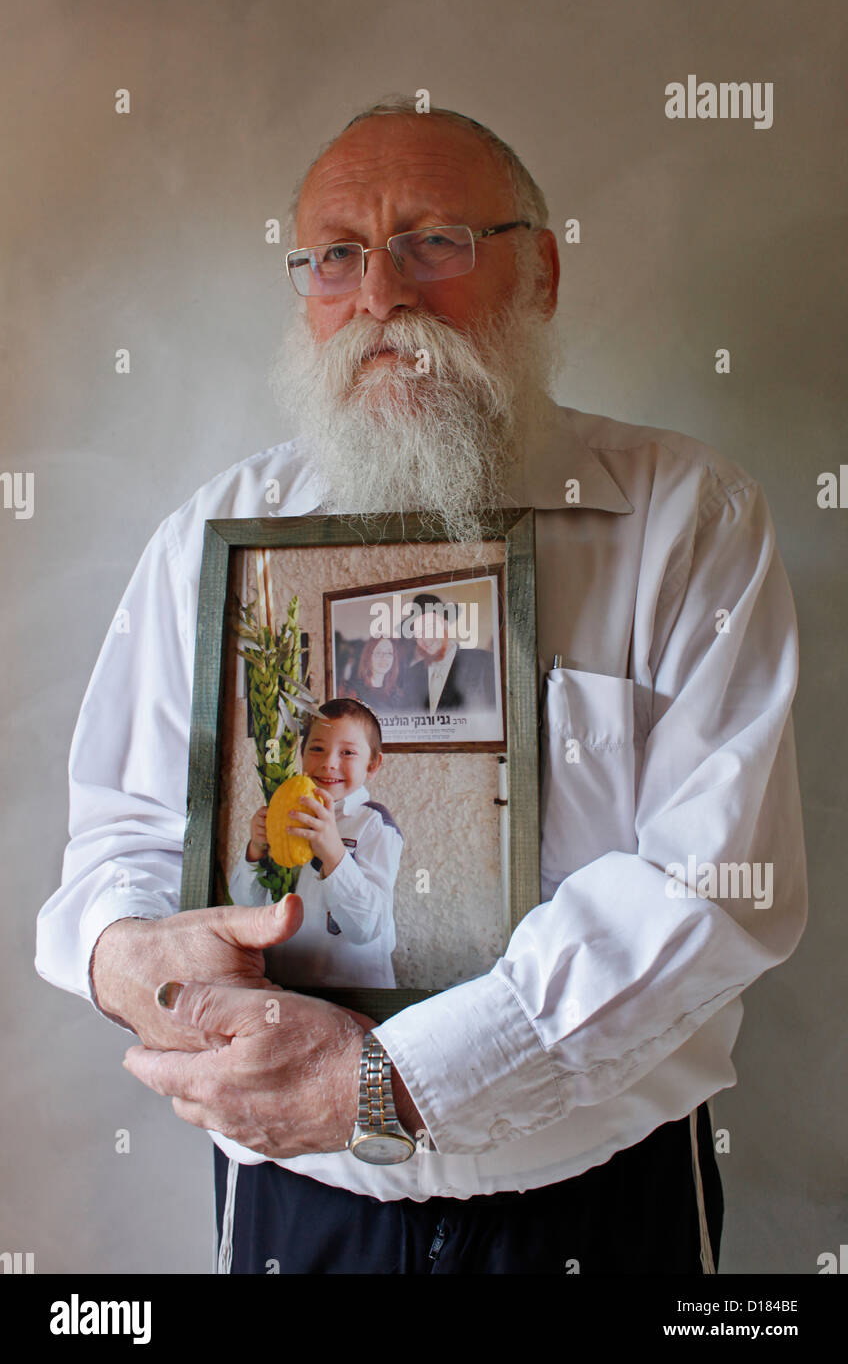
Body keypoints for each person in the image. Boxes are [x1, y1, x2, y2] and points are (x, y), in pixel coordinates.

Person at [35, 95, 807, 1275]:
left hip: (595, 1204)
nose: (379, 295)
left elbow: (713, 890)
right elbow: (123, 838)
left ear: (539, 272)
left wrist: (391, 1085)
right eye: (336, 255)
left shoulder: (683, 516)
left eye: (431, 242)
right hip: (299, 1203)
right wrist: (123, 957)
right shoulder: (214, 532)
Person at [227, 698, 400, 989]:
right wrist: (256, 850)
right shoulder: (289, 811)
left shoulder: (374, 823)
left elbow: (368, 927)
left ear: (372, 765)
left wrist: (333, 850)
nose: (329, 763)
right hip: (289, 987)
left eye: (347, 752)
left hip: (354, 991)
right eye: (317, 749)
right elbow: (247, 905)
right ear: (302, 754)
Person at [402, 593, 497, 714]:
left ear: (445, 624)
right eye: (419, 632)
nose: (426, 639)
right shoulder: (412, 673)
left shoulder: (483, 662)